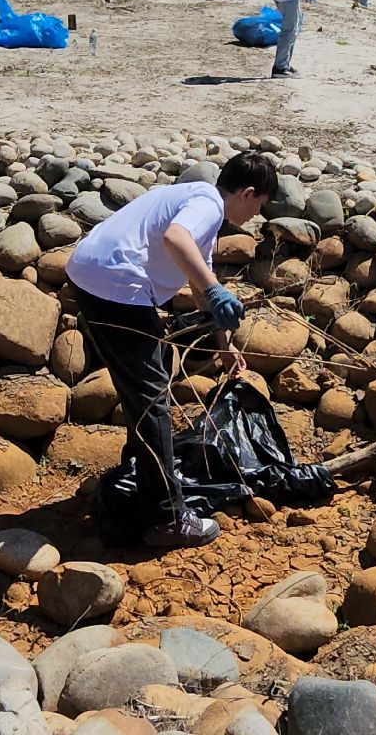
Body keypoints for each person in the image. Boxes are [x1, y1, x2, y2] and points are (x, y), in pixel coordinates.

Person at [64, 151, 279, 548]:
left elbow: (200, 294)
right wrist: (217, 291)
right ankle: (169, 516)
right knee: (151, 401)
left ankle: (138, 470)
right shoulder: (208, 206)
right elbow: (175, 239)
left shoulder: (192, 199)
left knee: (146, 383)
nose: (256, 216)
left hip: (91, 277)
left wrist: (226, 346)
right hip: (118, 289)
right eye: (260, 206)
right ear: (249, 193)